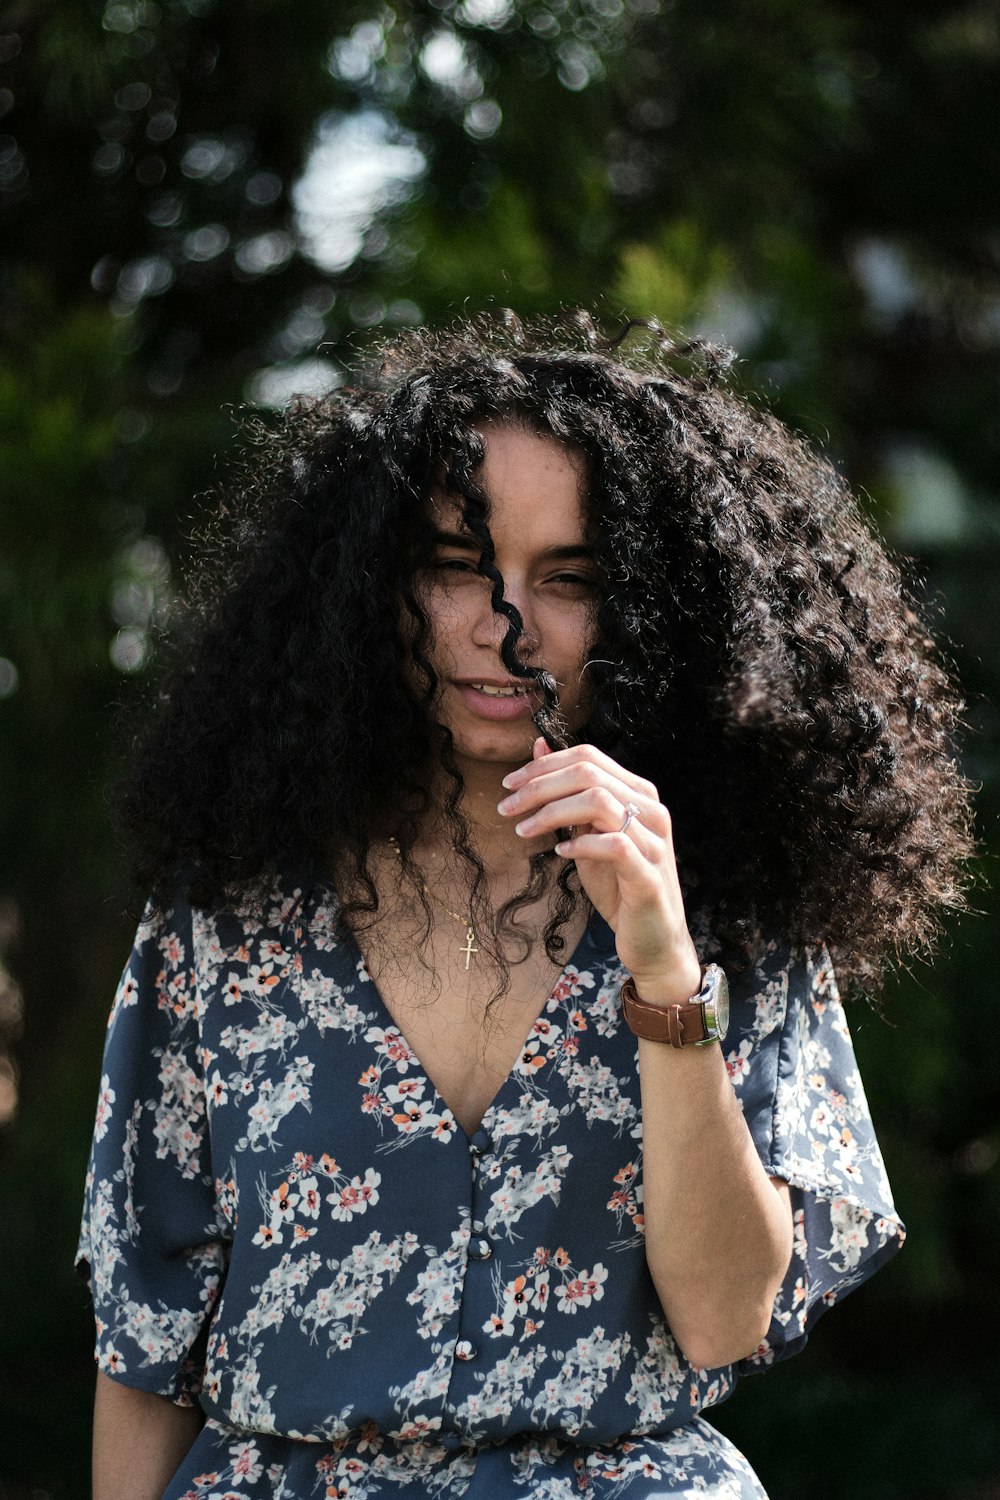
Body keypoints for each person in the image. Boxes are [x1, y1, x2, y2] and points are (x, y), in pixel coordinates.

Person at [76, 311, 972, 1500]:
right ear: (366, 586)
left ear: (658, 611)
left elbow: (719, 1321)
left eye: (571, 579)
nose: (507, 630)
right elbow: (145, 1344)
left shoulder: (723, 902)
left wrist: (662, 968)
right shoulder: (228, 909)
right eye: (456, 568)